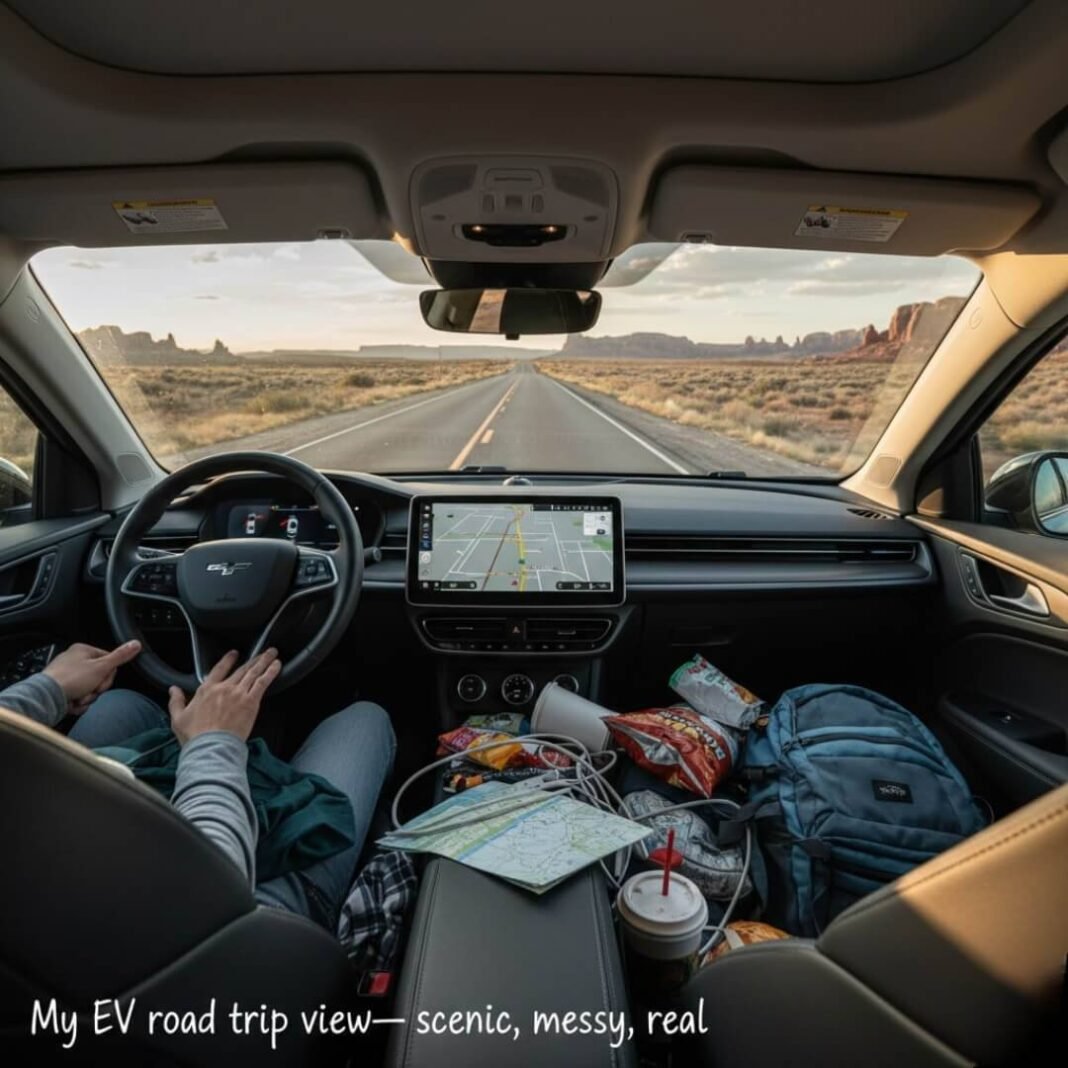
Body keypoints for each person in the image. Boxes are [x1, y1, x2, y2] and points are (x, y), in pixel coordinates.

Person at [0, 640, 395, 932]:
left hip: (81, 846)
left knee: (120, 705)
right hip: (230, 924)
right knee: (364, 721)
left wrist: (49, 687)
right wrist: (214, 741)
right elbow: (209, 892)